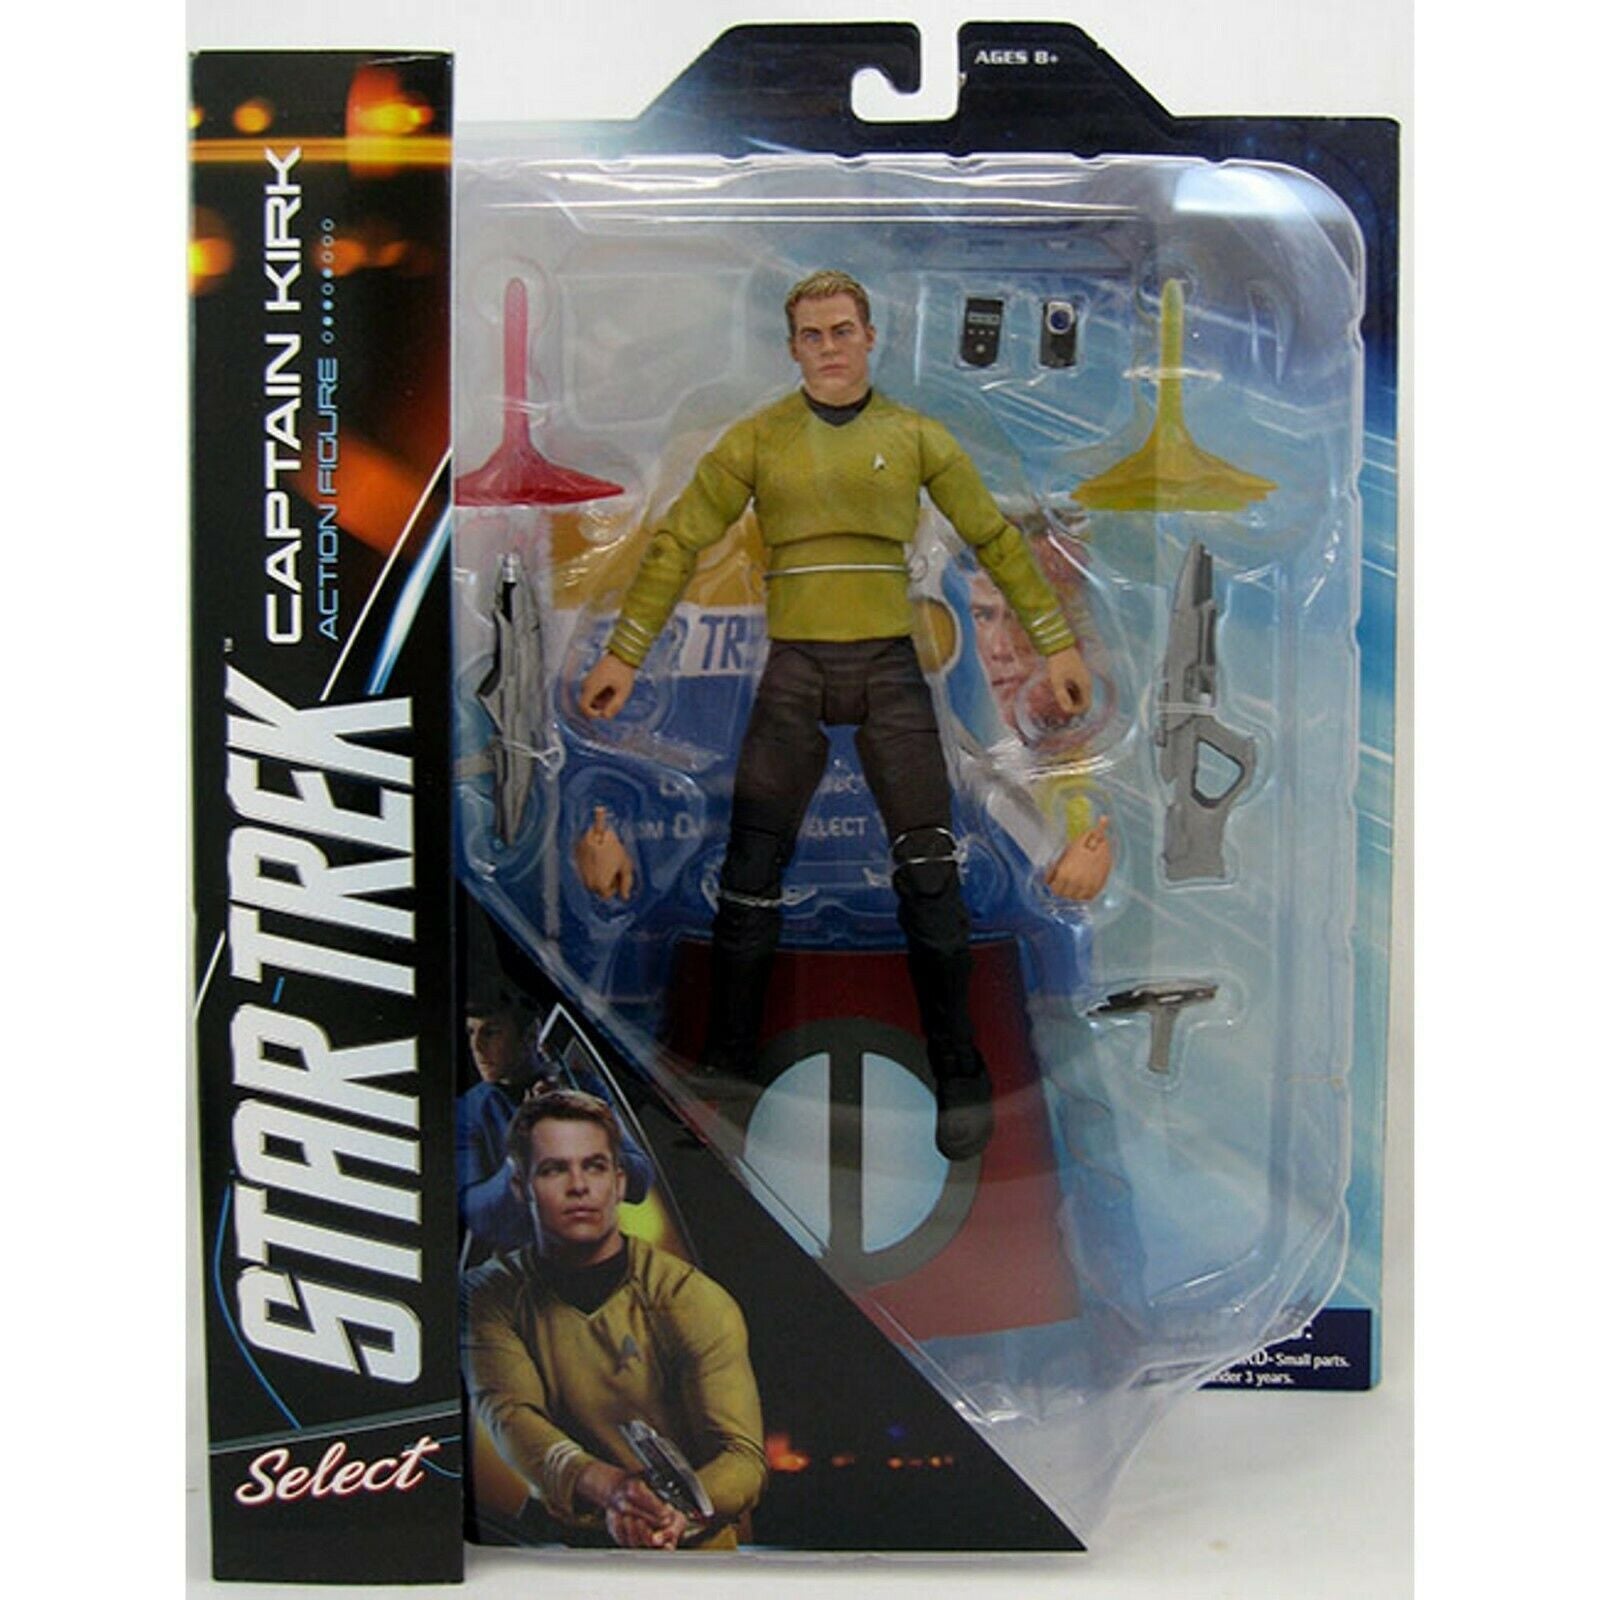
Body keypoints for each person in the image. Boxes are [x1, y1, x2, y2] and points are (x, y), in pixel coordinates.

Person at [579, 270, 1111, 1159]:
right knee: (749, 875)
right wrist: (624, 654)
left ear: (869, 336)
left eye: (841, 330)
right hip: (795, 669)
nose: (828, 347)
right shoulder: (759, 440)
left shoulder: (915, 437)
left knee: (931, 875)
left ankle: (959, 1069)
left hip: (890, 670)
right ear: (792, 347)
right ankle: (727, 1072)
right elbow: (680, 540)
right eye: (811, 334)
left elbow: (993, 539)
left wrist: (1056, 644)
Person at [463, 1089, 766, 1550]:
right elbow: (512, 1417)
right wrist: (613, 1489)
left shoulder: (692, 1300)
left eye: (595, 1166)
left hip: (693, 1553)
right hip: (567, 1553)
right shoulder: (488, 1295)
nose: (578, 1186)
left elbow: (742, 1458)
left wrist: (673, 1515)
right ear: (521, 1187)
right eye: (554, 1169)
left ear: (619, 1182)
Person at [457, 987, 652, 1265]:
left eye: (491, 1032)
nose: (476, 1047)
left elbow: (640, 1181)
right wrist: (524, 1147)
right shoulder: (470, 1111)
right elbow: (479, 1218)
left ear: (530, 1036)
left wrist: (583, 1125)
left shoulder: (583, 1086)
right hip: (523, 1271)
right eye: (471, 1033)